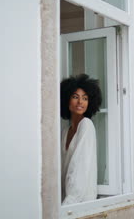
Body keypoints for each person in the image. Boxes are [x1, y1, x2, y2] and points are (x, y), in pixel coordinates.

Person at [60, 74, 102, 205]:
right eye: (75, 97)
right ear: (67, 100)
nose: (80, 102)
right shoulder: (65, 132)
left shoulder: (86, 125)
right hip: (67, 202)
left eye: (85, 98)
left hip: (80, 203)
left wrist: (69, 202)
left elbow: (80, 168)